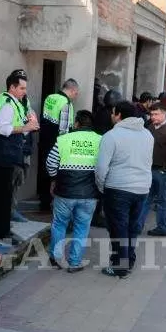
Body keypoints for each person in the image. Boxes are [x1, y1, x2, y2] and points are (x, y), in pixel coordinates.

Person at [95, 101, 153, 278]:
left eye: (113, 112)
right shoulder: (147, 135)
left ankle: (121, 265)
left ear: (119, 115)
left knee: (118, 227)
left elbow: (101, 168)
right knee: (132, 227)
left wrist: (101, 187)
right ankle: (128, 258)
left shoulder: (111, 136)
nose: (111, 116)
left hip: (118, 188)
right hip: (142, 188)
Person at [0, 69, 39, 242]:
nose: (25, 91)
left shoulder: (11, 101)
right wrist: (26, 128)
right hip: (2, 155)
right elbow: (3, 128)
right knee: (2, 195)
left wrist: (29, 120)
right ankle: (0, 233)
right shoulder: (7, 103)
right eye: (22, 88)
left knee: (3, 194)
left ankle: (1, 231)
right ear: (12, 87)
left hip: (4, 155)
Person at [46, 110, 102, 272]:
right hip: (89, 194)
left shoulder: (64, 139)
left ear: (76, 123)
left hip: (64, 192)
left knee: (59, 225)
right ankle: (75, 263)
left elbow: (50, 162)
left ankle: (56, 259)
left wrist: (54, 179)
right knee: (82, 227)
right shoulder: (100, 140)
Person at [140, 103, 166, 237]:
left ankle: (163, 227)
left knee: (163, 200)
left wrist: (164, 170)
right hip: (149, 169)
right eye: (151, 114)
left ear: (164, 114)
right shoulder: (150, 127)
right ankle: (137, 225)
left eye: (156, 114)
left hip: (163, 171)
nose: (153, 117)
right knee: (145, 198)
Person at [38, 79, 79, 211]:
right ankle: (52, 203)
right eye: (76, 93)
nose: (76, 96)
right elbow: (64, 130)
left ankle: (43, 202)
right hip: (56, 144)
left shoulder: (50, 97)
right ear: (72, 90)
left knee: (44, 170)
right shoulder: (66, 103)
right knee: (54, 174)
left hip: (44, 140)